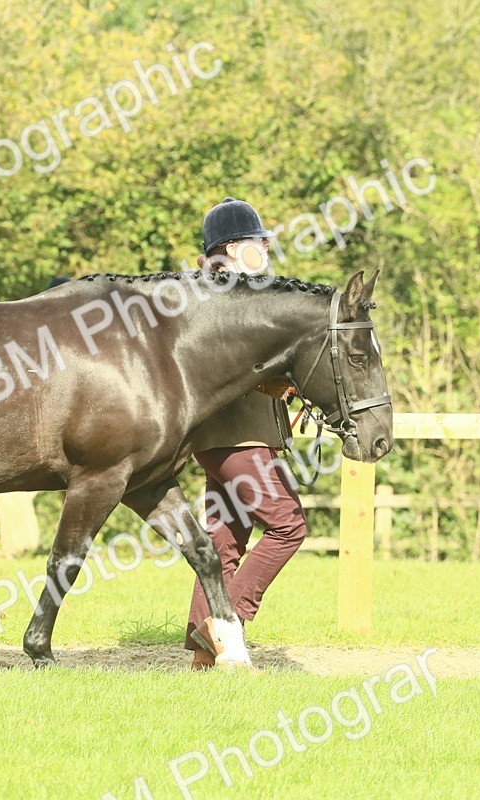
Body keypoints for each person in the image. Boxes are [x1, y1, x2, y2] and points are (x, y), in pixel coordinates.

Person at [185, 198, 309, 670]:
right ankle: (222, 624)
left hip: (223, 440)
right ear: (234, 249)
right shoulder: (229, 298)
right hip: (239, 441)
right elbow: (232, 367)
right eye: (260, 241)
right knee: (288, 526)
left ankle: (202, 656)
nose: (267, 247)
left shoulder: (223, 295)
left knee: (222, 545)